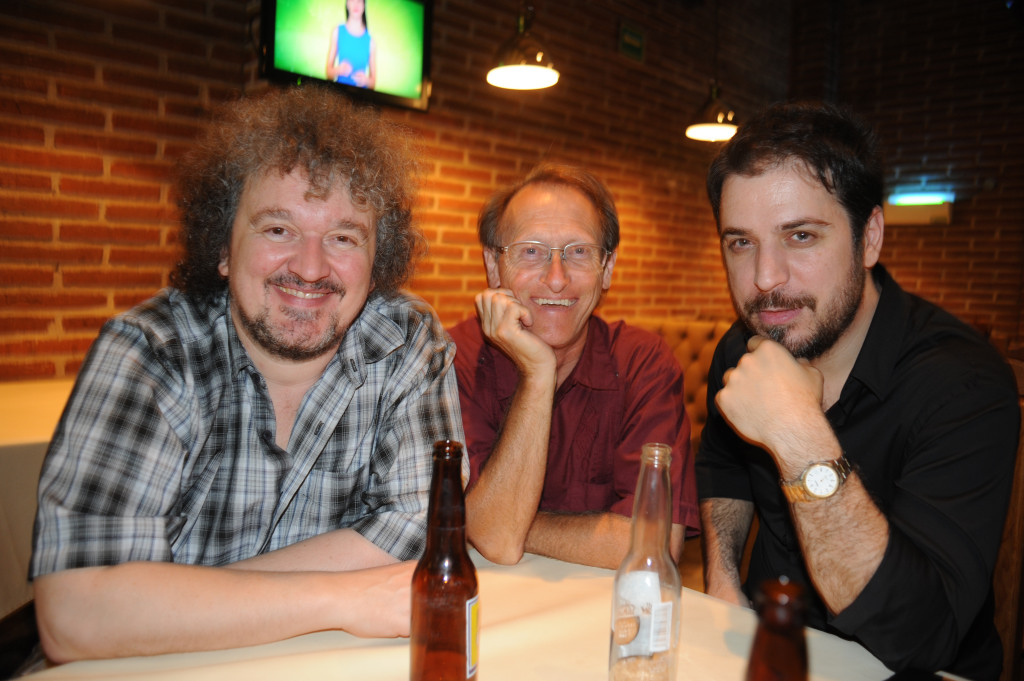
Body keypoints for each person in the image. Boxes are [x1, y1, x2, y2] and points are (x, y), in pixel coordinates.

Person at [29, 86, 463, 663]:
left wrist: (172, 601)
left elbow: (421, 527)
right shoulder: (152, 351)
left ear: (377, 260)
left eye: (343, 237)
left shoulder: (406, 341)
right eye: (278, 229)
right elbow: (76, 614)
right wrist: (339, 599)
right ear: (223, 248)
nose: (311, 267)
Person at [695, 101, 1020, 681]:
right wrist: (722, 579)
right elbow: (723, 466)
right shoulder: (741, 349)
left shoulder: (963, 384)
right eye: (740, 242)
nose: (765, 278)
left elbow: (920, 637)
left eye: (800, 236)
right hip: (770, 650)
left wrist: (799, 436)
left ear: (870, 237)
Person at [448, 164, 700, 570]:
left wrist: (503, 522)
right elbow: (495, 538)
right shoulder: (453, 359)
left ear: (607, 269)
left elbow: (657, 546)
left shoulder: (642, 363)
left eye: (578, 252)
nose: (556, 279)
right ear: (493, 266)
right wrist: (538, 374)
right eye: (531, 251)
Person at [326, 0, 376, 89]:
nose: (356, 4)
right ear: (347, 3)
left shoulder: (371, 41)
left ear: (364, 5)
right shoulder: (337, 31)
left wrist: (366, 81)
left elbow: (373, 83)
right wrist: (338, 70)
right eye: (352, 0)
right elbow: (328, 73)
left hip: (360, 96)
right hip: (339, 93)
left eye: (359, 1)